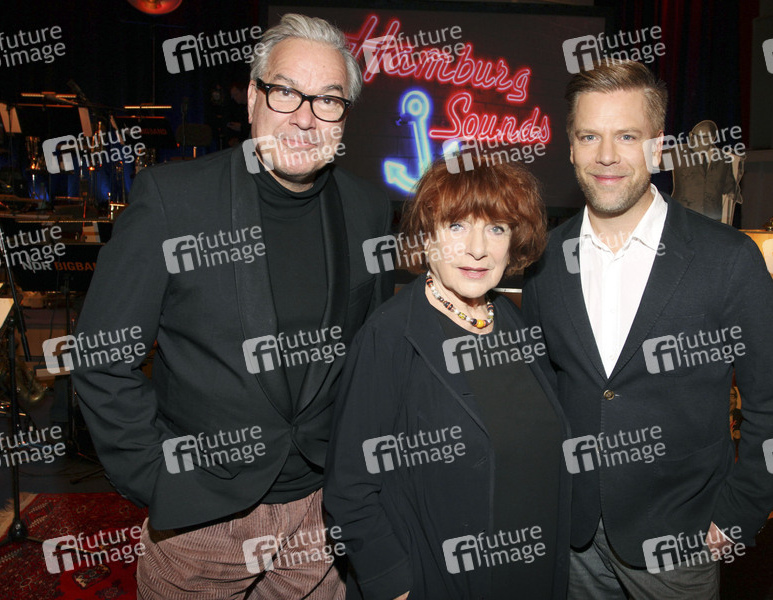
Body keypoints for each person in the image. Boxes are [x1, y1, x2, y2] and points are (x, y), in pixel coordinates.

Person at [70, 13, 392, 599]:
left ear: (344, 115)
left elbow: (373, 356)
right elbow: (101, 357)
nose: (304, 117)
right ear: (251, 98)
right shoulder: (174, 200)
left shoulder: (368, 209)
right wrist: (159, 481)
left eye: (327, 100)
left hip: (321, 514)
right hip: (200, 522)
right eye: (285, 91)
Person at [521, 60, 773, 599]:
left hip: (680, 537)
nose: (606, 155)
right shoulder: (546, 258)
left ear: (658, 149)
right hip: (573, 532)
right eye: (589, 136)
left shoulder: (727, 258)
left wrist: (738, 514)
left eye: (627, 136)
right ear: (571, 147)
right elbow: (540, 392)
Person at [324, 158, 571, 600]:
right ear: (427, 236)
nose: (478, 249)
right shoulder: (389, 335)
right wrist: (395, 587)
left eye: (496, 228)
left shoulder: (513, 322)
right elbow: (350, 489)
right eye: (457, 226)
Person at [669, 119, 744, 224]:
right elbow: (654, 162)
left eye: (699, 138)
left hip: (711, 222)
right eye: (692, 136)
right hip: (683, 220)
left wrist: (738, 173)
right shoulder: (679, 153)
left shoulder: (723, 159)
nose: (694, 141)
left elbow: (729, 187)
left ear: (712, 139)